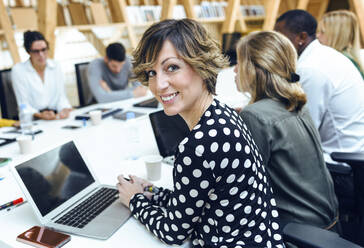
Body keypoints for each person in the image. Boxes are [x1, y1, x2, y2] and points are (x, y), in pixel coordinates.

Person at [117, 19, 285, 247]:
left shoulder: (198, 145)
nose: (159, 85)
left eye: (172, 67)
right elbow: (201, 200)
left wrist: (134, 200)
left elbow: (172, 232)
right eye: (152, 73)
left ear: (201, 66)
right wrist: (151, 192)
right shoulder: (224, 114)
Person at [235, 31, 338, 232]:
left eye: (239, 63)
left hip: (294, 231)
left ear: (255, 69)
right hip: (326, 226)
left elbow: (242, 188)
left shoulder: (254, 116)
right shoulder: (298, 104)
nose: (234, 70)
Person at [274, 10, 364, 161]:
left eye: (280, 37)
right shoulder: (324, 55)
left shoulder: (310, 69)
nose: (276, 44)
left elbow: (304, 131)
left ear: (301, 37)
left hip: (344, 164)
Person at [11, 31, 72, 120]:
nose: (41, 55)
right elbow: (23, 104)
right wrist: (41, 115)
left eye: (44, 49)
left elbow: (61, 97)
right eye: (36, 51)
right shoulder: (19, 71)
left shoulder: (56, 66)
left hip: (55, 117)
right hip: (33, 120)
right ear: (28, 52)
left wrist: (64, 109)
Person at [317, 10, 364, 79]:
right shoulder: (348, 58)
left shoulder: (340, 62)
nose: (317, 35)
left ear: (337, 35)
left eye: (322, 32)